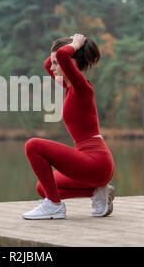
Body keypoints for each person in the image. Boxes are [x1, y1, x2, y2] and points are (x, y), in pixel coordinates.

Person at [22, 34, 115, 220]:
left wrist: (74, 45)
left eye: (59, 63)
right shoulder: (70, 87)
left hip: (95, 162)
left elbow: (63, 57)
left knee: (33, 145)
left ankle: (54, 207)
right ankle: (96, 192)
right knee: (44, 188)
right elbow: (47, 64)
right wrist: (67, 47)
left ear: (70, 63)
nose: (53, 67)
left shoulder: (83, 89)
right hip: (92, 166)